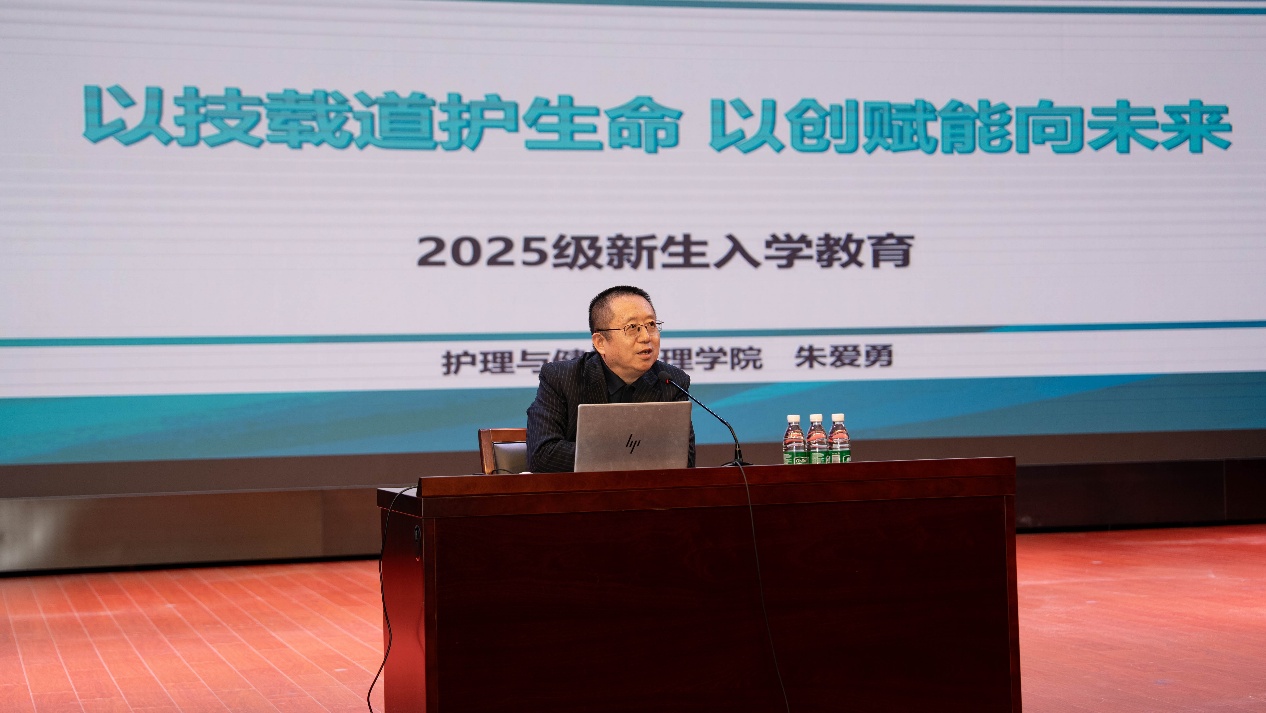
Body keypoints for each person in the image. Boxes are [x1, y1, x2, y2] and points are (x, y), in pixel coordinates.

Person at [526, 285, 696, 473]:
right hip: (582, 490)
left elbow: (683, 459)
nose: (646, 337)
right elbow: (542, 455)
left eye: (651, 325)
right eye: (632, 328)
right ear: (600, 342)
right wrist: (627, 454)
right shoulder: (562, 378)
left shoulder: (671, 381)